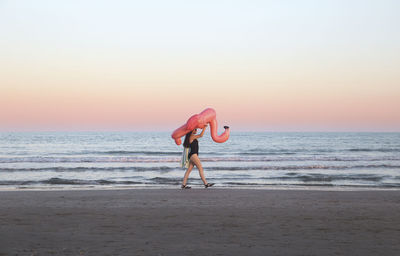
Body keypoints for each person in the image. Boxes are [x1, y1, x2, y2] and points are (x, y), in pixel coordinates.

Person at [181, 125, 214, 189]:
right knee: (200, 168)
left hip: (192, 155)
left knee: (188, 170)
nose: (196, 130)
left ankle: (183, 185)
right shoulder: (192, 137)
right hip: (193, 155)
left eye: (196, 129)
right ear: (192, 130)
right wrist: (204, 128)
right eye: (195, 129)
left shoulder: (192, 137)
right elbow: (201, 135)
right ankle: (206, 184)